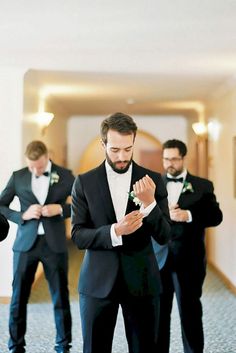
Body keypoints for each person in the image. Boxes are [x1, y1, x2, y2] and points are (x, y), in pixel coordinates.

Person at [71, 112, 171, 353]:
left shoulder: (152, 180)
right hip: (97, 281)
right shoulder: (84, 182)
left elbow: (165, 235)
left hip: (142, 281)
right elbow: (78, 235)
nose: (122, 156)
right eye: (115, 150)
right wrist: (115, 231)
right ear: (103, 144)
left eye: (128, 149)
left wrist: (150, 205)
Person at [0, 141, 74, 353]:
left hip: (55, 245)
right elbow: (1, 205)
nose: (35, 171)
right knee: (18, 297)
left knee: (60, 295)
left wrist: (59, 209)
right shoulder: (18, 176)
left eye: (39, 167)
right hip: (25, 245)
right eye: (32, 167)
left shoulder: (66, 175)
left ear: (47, 157)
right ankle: (15, 345)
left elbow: (83, 203)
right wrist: (21, 215)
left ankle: (63, 344)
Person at [157, 139, 223, 353]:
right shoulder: (152, 185)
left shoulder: (203, 185)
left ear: (183, 158)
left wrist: (188, 215)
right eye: (166, 159)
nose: (170, 163)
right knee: (159, 315)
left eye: (174, 159)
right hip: (159, 259)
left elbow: (215, 216)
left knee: (190, 313)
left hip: (190, 260)